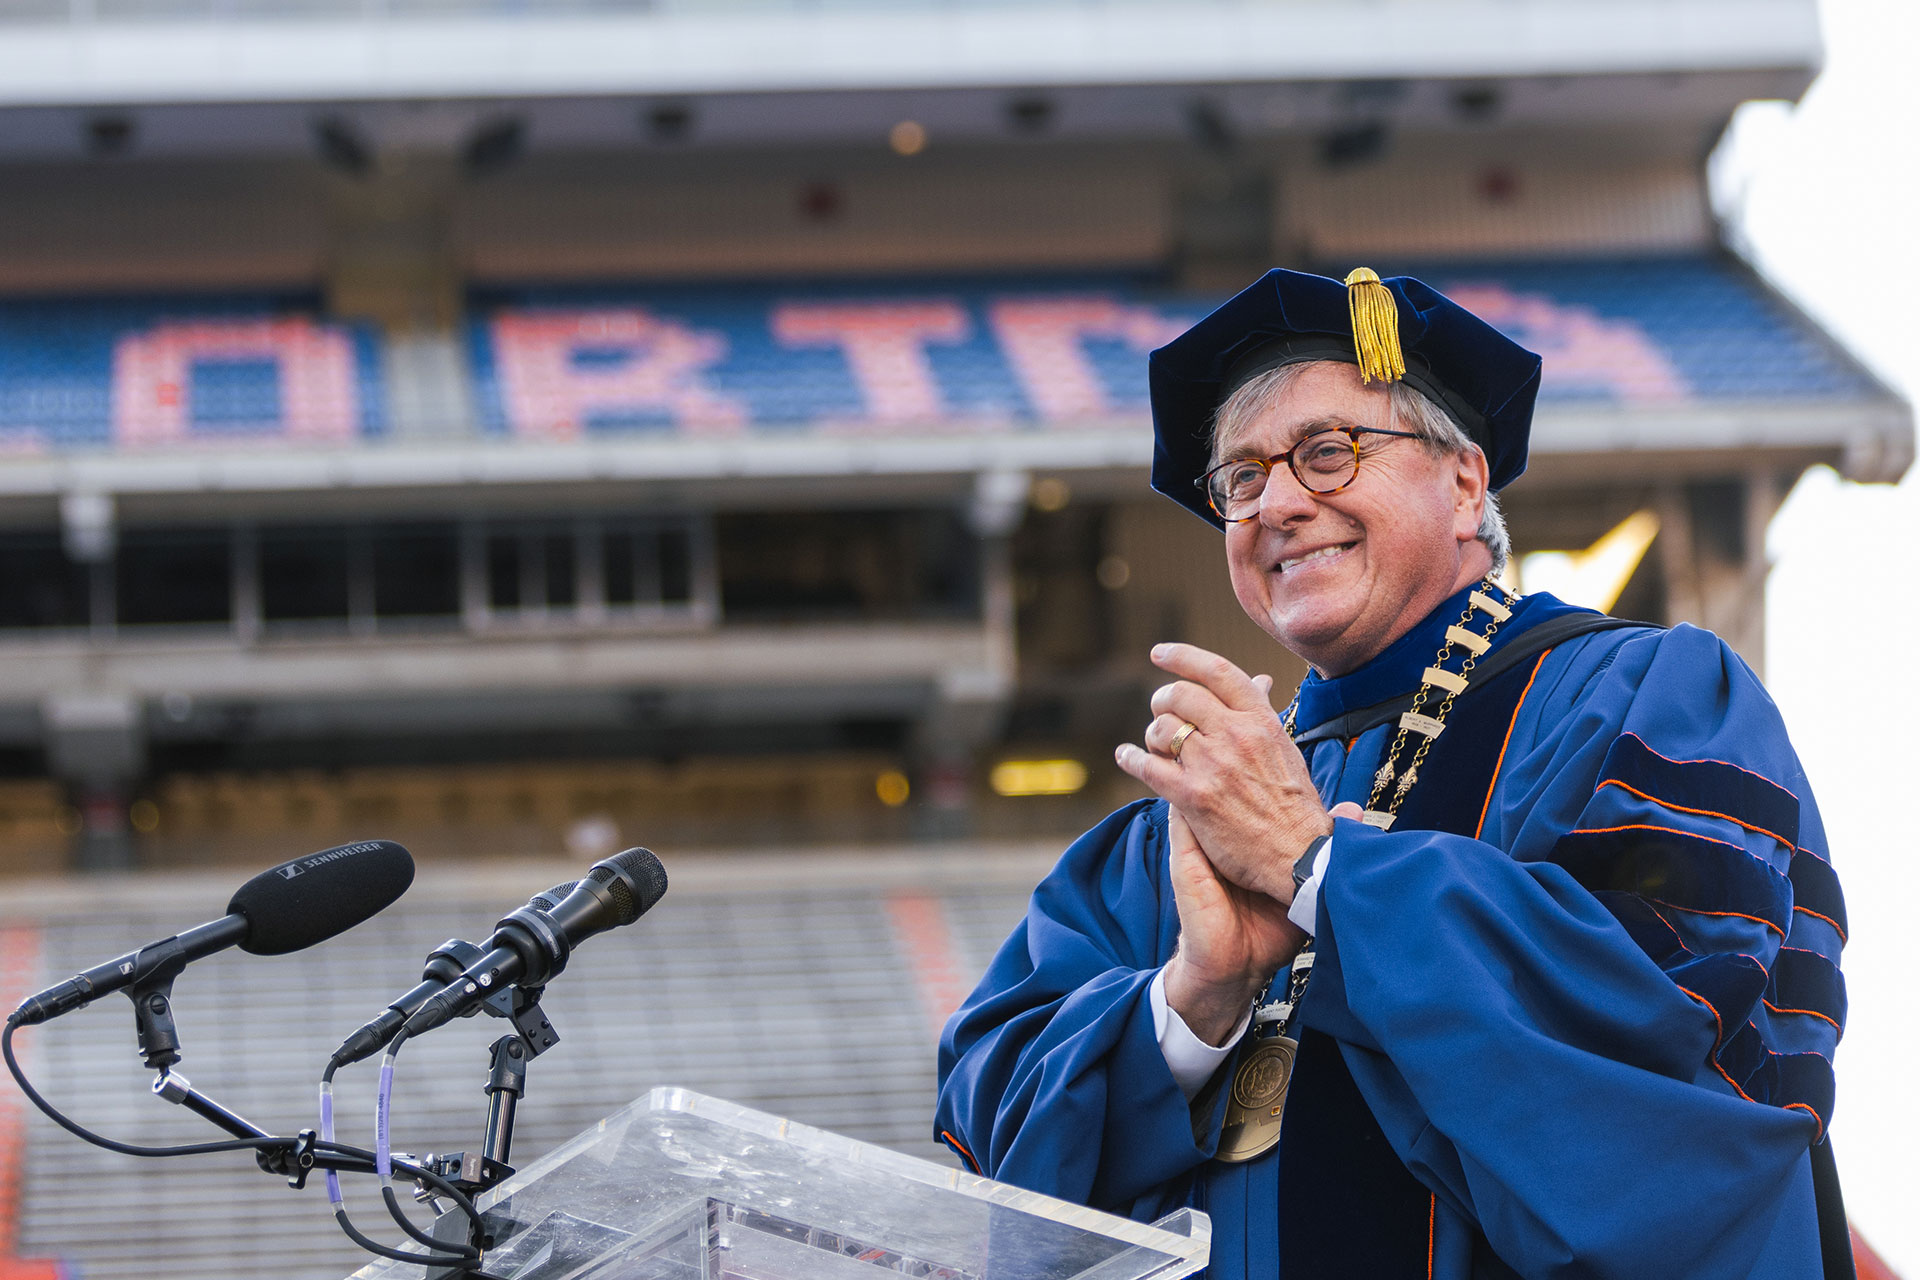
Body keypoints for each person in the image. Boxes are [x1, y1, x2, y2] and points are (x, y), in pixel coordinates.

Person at [934, 268, 1849, 1279]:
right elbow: (994, 1128)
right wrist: (1194, 999)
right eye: (1240, 478)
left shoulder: (1638, 698)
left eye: (1327, 451)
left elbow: (1677, 1019)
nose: (1276, 503)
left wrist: (1326, 875)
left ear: (1465, 481)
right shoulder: (1187, 819)